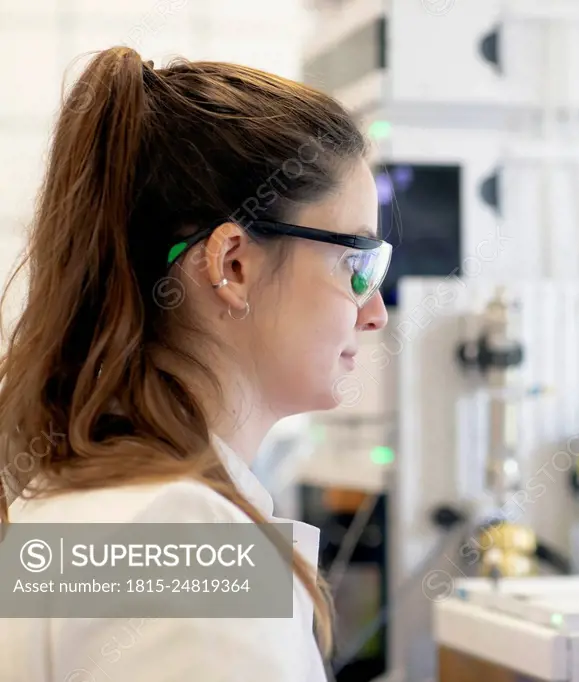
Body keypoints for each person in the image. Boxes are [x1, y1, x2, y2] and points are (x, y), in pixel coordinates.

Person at [0, 46, 389, 682]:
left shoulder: (77, 502)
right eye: (357, 263)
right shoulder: (188, 551)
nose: (374, 312)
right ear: (233, 264)